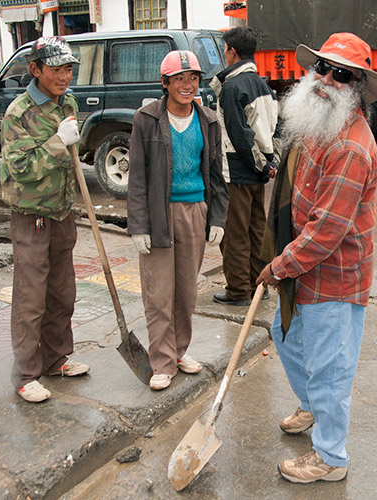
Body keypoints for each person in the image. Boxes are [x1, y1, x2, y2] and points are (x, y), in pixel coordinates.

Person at [256, 32, 377, 483]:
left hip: (333, 275)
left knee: (330, 369)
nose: (327, 79)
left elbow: (327, 231)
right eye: (323, 69)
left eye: (342, 74)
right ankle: (312, 406)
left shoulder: (350, 146)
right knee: (286, 336)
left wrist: (277, 266)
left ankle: (330, 458)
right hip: (302, 270)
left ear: (356, 87)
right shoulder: (318, 126)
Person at [128, 50, 229, 391]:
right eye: (179, 79)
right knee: (158, 292)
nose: (187, 85)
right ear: (165, 83)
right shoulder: (146, 119)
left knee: (186, 291)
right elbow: (137, 177)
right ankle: (162, 360)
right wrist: (138, 224)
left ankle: (179, 350)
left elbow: (216, 172)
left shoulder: (209, 120)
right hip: (159, 213)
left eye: (193, 78)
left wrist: (217, 216)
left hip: (195, 211)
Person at [0, 36, 89, 403]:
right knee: (30, 298)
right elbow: (19, 168)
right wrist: (57, 143)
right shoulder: (19, 113)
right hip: (31, 217)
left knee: (63, 293)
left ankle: (56, 358)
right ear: (35, 70)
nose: (64, 76)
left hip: (62, 212)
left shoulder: (67, 102)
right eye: (56, 69)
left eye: (68, 69)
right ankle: (26, 373)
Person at [210, 26, 278, 306]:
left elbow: (240, 136)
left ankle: (238, 291)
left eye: (225, 48)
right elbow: (271, 130)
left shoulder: (232, 87)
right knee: (255, 231)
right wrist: (269, 162)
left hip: (238, 171)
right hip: (258, 171)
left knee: (234, 234)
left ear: (232, 51)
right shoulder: (261, 84)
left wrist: (261, 164)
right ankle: (255, 285)